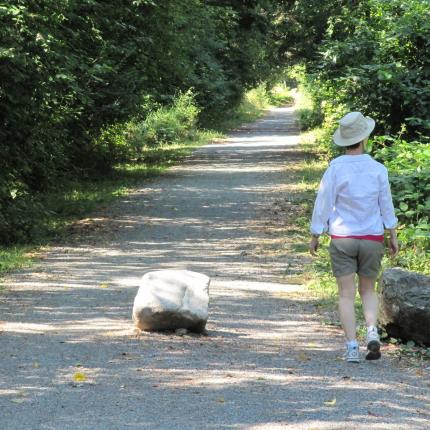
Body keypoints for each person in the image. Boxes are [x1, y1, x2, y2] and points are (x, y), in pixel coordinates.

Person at [309, 111, 399, 363]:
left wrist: (316, 233)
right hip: (371, 238)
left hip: (342, 238)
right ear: (365, 138)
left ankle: (351, 347)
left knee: (346, 295)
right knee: (368, 291)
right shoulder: (378, 169)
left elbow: (323, 203)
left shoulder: (335, 169)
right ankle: (371, 332)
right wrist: (392, 233)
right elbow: (386, 204)